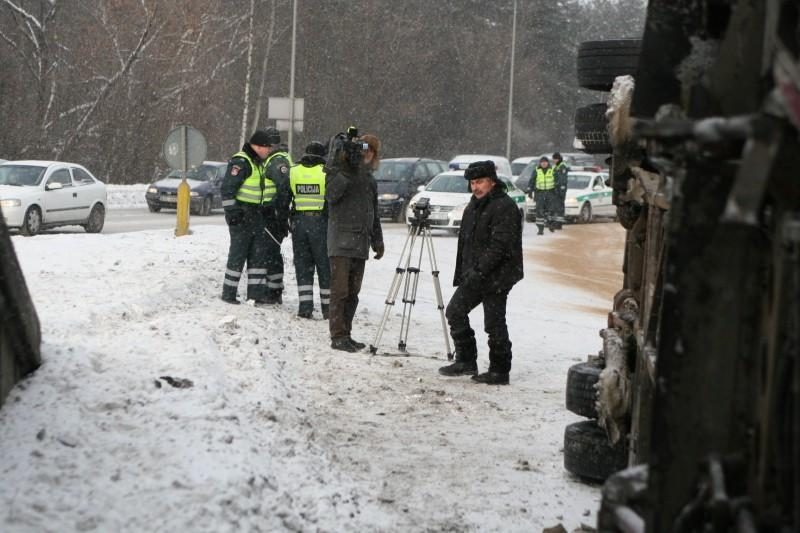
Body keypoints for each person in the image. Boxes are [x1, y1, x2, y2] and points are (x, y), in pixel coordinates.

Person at [438, 160, 523, 385]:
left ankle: (499, 370)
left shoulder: (504, 206)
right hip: (475, 274)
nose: (476, 187)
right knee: (455, 311)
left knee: (494, 323)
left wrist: (479, 270)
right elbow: (467, 242)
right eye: (473, 183)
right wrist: (467, 271)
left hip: (498, 276)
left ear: (492, 182)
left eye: (480, 182)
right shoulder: (473, 205)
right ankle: (466, 360)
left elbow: (500, 247)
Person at [325, 132, 384, 352]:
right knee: (340, 291)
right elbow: (331, 196)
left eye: (372, 151)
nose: (367, 154)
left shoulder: (369, 179)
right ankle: (337, 335)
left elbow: (373, 212)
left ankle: (346, 333)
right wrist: (347, 172)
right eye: (364, 149)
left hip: (360, 242)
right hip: (341, 241)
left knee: (352, 293)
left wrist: (377, 240)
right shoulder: (339, 171)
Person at [220, 128, 281, 304]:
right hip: (243, 217)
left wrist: (269, 206)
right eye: (267, 147)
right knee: (238, 255)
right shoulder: (242, 162)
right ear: (258, 146)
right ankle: (229, 293)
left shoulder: (257, 162)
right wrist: (233, 214)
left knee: (258, 257)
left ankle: (256, 295)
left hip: (257, 216)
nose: (269, 150)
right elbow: (227, 190)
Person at [288, 141, 330, 319]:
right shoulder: (326, 172)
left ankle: (305, 307)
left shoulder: (294, 171)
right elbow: (331, 201)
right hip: (320, 223)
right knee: (324, 266)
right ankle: (328, 310)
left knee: (303, 266)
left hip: (299, 224)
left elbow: (284, 198)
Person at [259, 134, 293, 304]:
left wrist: (275, 211)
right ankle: (272, 289)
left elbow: (284, 188)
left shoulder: (277, 162)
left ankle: (273, 291)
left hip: (273, 215)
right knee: (269, 252)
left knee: (270, 253)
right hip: (271, 214)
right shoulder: (274, 160)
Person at [530, 156, 556, 235]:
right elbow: (532, 181)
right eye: (542, 162)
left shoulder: (552, 170)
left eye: (545, 162)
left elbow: (557, 181)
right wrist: (530, 191)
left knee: (550, 210)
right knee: (539, 211)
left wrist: (557, 191)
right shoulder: (536, 171)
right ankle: (540, 229)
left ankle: (551, 224)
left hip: (550, 193)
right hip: (540, 193)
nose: (544, 164)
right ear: (540, 163)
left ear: (548, 163)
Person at [552, 152, 569, 230]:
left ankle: (559, 224)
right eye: (553, 159)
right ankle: (556, 222)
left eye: (555, 159)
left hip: (560, 190)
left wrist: (561, 189)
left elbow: (562, 179)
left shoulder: (562, 166)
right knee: (556, 206)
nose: (554, 160)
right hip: (555, 189)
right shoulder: (556, 167)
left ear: (559, 159)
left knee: (560, 207)